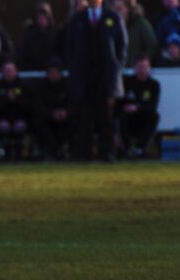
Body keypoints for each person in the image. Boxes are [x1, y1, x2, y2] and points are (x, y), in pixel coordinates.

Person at [65, 0, 127, 161]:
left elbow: (122, 44)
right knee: (85, 117)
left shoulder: (113, 17)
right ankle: (84, 153)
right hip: (85, 76)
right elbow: (69, 46)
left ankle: (107, 153)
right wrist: (74, 68)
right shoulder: (77, 19)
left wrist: (117, 66)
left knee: (106, 117)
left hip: (105, 76)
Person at [118, 56, 161, 158]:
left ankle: (140, 148)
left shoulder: (154, 85)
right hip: (128, 119)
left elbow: (153, 105)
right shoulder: (126, 82)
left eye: (145, 67)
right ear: (134, 67)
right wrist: (126, 108)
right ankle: (126, 149)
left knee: (154, 116)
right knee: (121, 116)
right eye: (140, 67)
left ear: (149, 68)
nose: (142, 70)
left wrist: (137, 107)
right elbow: (119, 103)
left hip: (143, 119)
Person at [0, 61, 31, 160]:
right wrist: (6, 99)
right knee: (3, 126)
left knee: (20, 126)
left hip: (20, 118)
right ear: (2, 73)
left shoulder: (23, 86)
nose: (9, 73)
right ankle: (5, 154)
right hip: (2, 118)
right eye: (6, 71)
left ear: (16, 72)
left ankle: (19, 154)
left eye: (11, 71)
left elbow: (28, 106)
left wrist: (15, 99)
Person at [32, 58, 72, 160]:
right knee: (38, 124)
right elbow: (38, 107)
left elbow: (73, 104)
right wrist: (52, 114)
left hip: (65, 118)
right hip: (47, 119)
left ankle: (64, 151)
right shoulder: (40, 87)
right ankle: (53, 151)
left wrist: (65, 112)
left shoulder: (67, 86)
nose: (53, 75)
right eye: (51, 72)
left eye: (56, 72)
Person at [112, 0, 159, 66]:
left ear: (128, 9)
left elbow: (152, 47)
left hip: (134, 71)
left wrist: (140, 61)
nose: (117, 13)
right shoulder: (110, 25)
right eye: (114, 9)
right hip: (115, 70)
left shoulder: (141, 24)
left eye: (119, 9)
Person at [17, 2, 60, 71]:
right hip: (32, 70)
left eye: (44, 17)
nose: (42, 20)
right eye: (39, 17)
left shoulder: (56, 33)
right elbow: (23, 54)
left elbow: (58, 52)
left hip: (51, 71)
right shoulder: (29, 34)